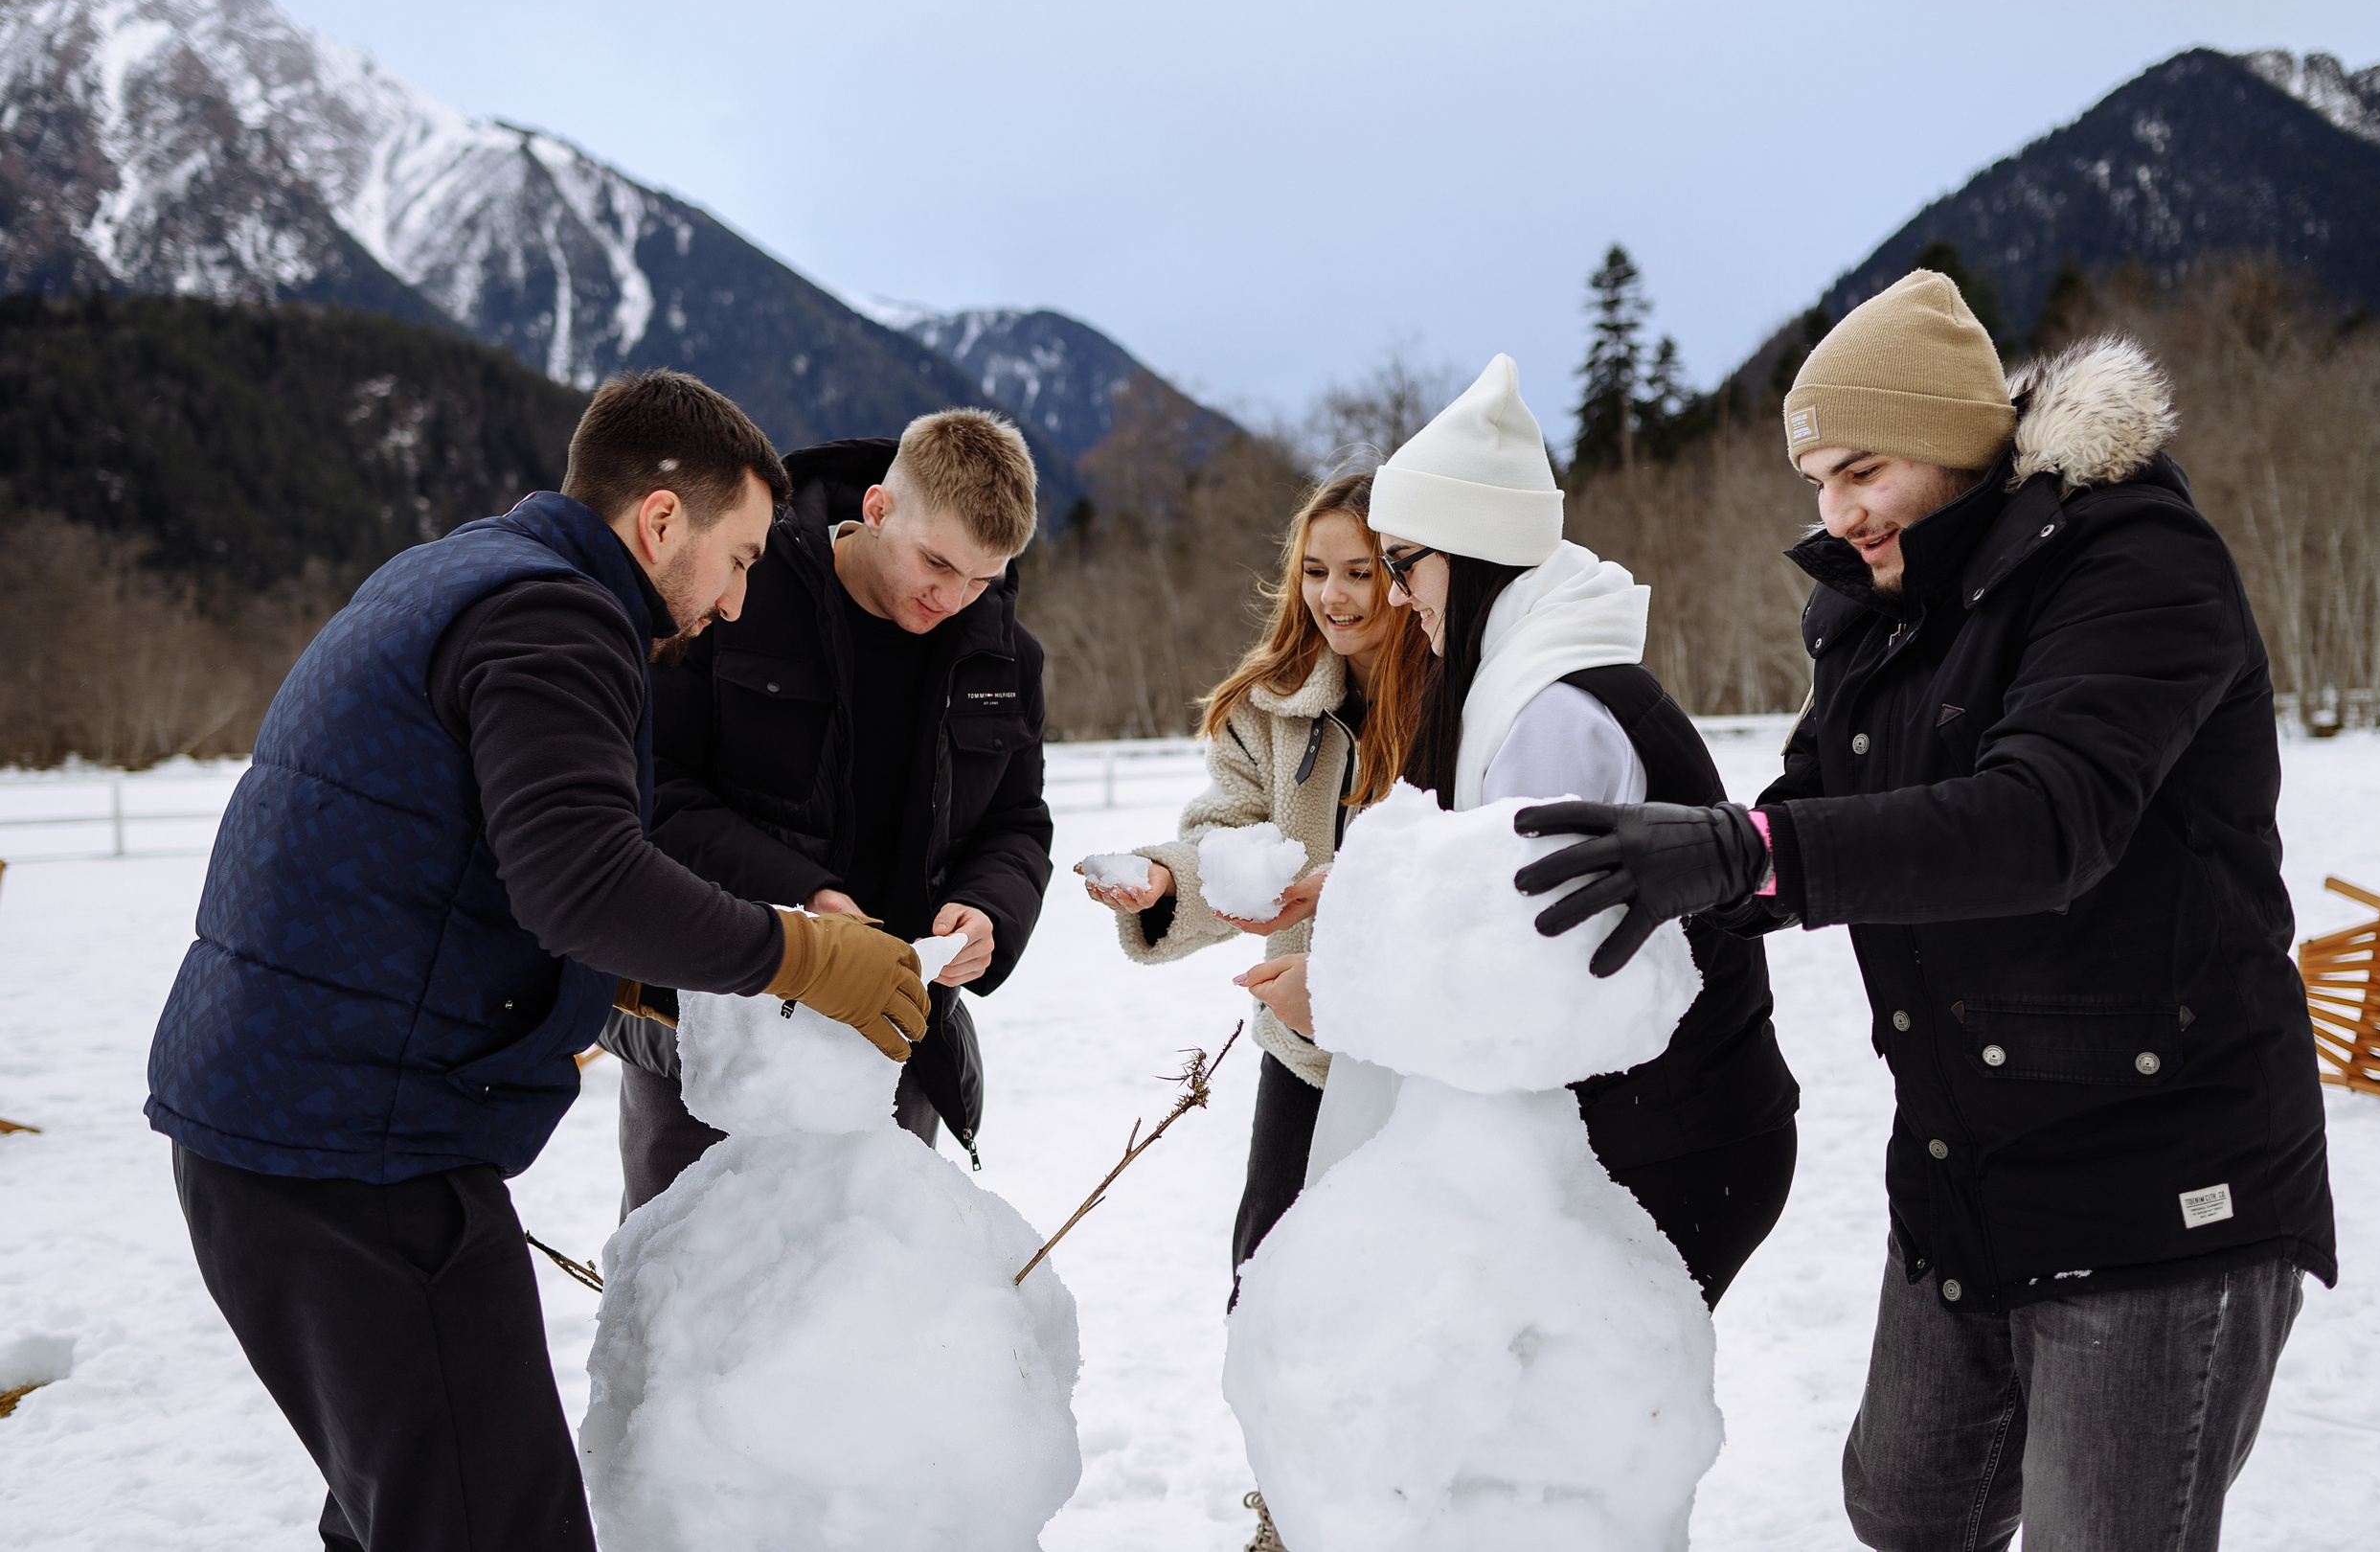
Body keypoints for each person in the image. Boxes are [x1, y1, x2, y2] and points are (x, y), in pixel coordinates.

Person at [1514, 271, 2336, 1552]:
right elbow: (1812, 808)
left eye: (1863, 469)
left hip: (2160, 1169)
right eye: (1816, 484)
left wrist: (1742, 854)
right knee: (1908, 1505)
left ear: (1954, 439)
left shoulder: (2134, 565)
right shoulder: (1881, 610)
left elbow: (2043, 819)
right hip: (1969, 1163)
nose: (1837, 513)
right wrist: (1601, 899)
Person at [147, 370, 929, 1552]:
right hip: (359, 1162)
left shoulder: (458, 571)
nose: (735, 600)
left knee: (405, 1509)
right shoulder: (554, 619)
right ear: (660, 520)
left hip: (283, 1131)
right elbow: (583, 878)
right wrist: (805, 954)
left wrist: (640, 978)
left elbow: (471, 867)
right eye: (743, 556)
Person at [1244, 354, 1801, 1316]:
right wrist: (1357, 882)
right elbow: (1494, 879)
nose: (1394, 591)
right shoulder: (1534, 676)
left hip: (1682, 1141)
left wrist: (1339, 993)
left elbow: (1527, 967)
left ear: (1473, 551)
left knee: (1579, 1441)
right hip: (1663, 1127)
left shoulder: (1553, 711)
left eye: (1404, 561)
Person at [610, 410, 1052, 1208]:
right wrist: (805, 898)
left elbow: (1018, 823)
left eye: (982, 579)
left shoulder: (1006, 656)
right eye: (936, 563)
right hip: (713, 1034)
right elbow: (650, 787)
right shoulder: (738, 587)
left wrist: (989, 909)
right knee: (685, 1311)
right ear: (878, 507)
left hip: (892, 1044)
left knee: (865, 1316)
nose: (951, 597)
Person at [1079, 471, 1431, 1299]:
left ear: (1406, 571)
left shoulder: (1452, 702)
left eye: (1359, 570)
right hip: (1302, 1053)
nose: (1333, 595)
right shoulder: (1270, 706)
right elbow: (1232, 843)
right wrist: (1167, 878)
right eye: (1315, 570)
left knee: (1403, 1297)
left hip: (1423, 1053)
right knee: (1267, 1288)